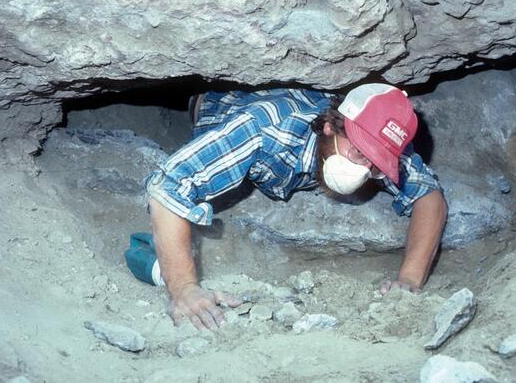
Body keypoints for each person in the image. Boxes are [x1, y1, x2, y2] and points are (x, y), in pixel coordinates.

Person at [143, 83, 447, 330]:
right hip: (222, 101)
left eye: (376, 165)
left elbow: (429, 195)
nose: (364, 170)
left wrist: (409, 278)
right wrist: (183, 288)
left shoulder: (379, 138)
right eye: (358, 153)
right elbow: (169, 186)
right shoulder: (264, 129)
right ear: (330, 126)